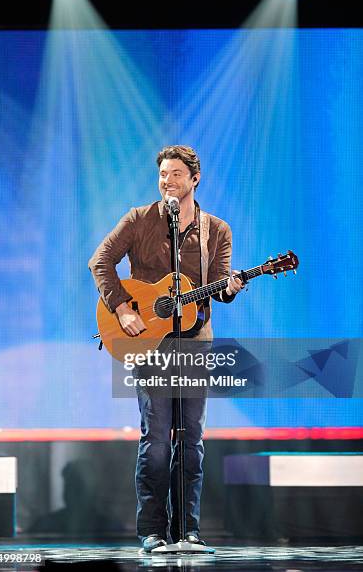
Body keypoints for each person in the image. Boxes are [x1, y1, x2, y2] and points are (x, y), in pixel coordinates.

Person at [88, 145, 244, 551]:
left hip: (195, 343)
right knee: (156, 440)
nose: (167, 181)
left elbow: (221, 288)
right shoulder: (139, 219)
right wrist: (122, 309)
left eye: (176, 174)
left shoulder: (217, 230)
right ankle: (153, 532)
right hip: (150, 342)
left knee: (191, 440)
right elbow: (100, 261)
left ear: (195, 179)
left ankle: (188, 530)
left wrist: (230, 288)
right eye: (162, 174)